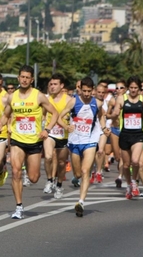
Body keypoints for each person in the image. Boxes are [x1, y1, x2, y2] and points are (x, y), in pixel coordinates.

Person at [0, 65, 58, 219]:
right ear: (18, 78)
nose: (24, 80)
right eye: (22, 77)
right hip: (17, 140)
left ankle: (26, 169)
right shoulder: (12, 97)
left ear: (32, 79)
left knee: (34, 178)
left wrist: (47, 130)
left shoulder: (38, 96)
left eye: (27, 77)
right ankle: (18, 207)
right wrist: (0, 124)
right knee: (16, 172)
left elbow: (55, 113)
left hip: (34, 141)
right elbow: (6, 114)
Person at [57, 76, 108, 217]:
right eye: (84, 91)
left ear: (93, 90)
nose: (86, 94)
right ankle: (77, 179)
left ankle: (81, 202)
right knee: (78, 173)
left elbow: (101, 116)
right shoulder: (73, 102)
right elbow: (59, 118)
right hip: (75, 141)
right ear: (80, 89)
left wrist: (103, 129)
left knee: (86, 171)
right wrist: (67, 126)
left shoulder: (97, 103)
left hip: (90, 140)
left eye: (89, 91)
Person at [110, 76, 143, 200]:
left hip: (138, 135)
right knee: (125, 165)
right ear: (128, 88)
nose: (133, 90)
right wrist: (110, 116)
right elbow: (116, 112)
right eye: (131, 88)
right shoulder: (121, 98)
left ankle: (134, 182)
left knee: (136, 161)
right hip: (124, 134)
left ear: (139, 88)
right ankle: (129, 185)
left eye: (135, 88)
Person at [42, 73, 71, 199]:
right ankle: (49, 180)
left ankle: (59, 185)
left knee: (61, 163)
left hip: (64, 135)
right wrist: (43, 126)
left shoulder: (69, 100)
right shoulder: (46, 99)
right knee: (48, 157)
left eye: (55, 84)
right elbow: (42, 114)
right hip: (50, 133)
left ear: (61, 85)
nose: (52, 87)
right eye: (51, 84)